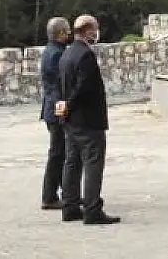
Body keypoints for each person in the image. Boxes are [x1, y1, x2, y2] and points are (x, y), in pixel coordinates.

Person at [56, 14, 119, 225]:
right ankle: (92, 208)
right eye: (95, 28)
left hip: (71, 121)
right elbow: (83, 88)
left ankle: (70, 205)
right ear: (87, 30)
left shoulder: (67, 54)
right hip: (88, 120)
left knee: (72, 162)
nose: (97, 33)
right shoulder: (85, 56)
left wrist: (65, 108)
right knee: (93, 162)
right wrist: (71, 104)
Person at [40, 16, 71, 211]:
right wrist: (63, 113)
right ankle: (50, 196)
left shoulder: (52, 51)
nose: (69, 33)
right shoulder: (57, 54)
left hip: (52, 108)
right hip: (56, 110)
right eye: (67, 30)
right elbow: (59, 87)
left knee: (60, 153)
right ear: (60, 33)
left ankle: (64, 192)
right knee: (58, 153)